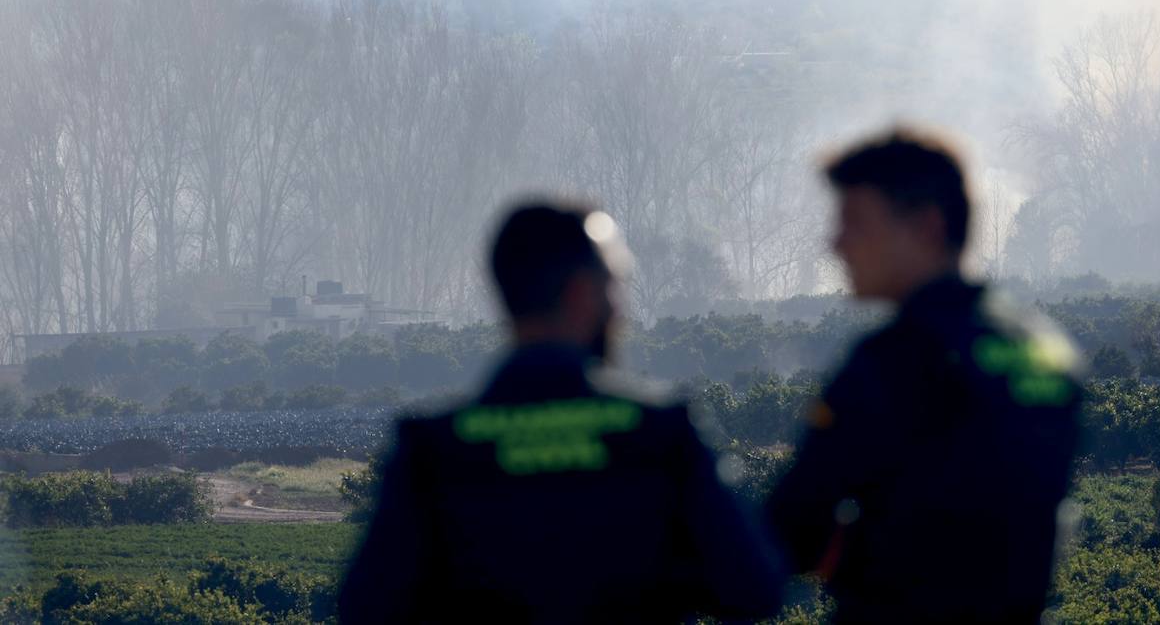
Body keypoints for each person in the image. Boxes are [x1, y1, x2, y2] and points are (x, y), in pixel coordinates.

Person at [338, 201, 784, 624]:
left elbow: (365, 606)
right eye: (615, 284)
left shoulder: (432, 446)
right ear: (581, 293)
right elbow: (756, 590)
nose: (619, 307)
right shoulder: (662, 430)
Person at [766, 128, 1083, 624]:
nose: (836, 245)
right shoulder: (1048, 349)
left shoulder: (892, 361)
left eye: (856, 224)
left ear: (928, 228)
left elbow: (792, 529)